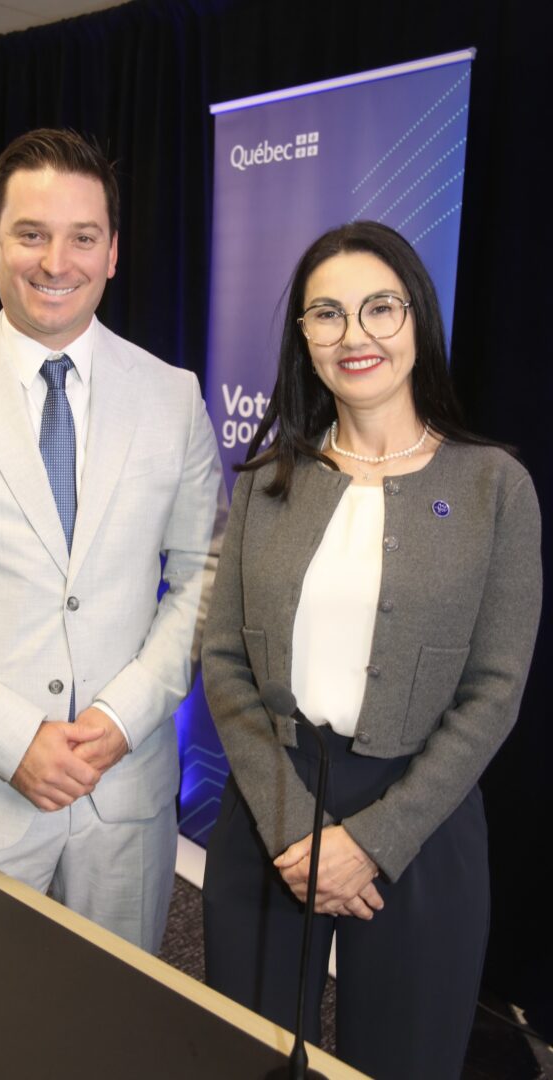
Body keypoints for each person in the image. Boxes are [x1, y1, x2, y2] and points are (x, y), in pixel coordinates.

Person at [0, 128, 224, 954]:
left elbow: (206, 574)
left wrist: (124, 718)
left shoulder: (173, 397)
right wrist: (13, 741)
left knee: (116, 1031)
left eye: (82, 237)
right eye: (31, 234)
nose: (58, 261)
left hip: (123, 793)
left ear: (113, 252)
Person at [201, 221, 541, 1079]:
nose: (356, 336)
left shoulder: (495, 486)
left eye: (379, 308)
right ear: (304, 339)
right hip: (272, 805)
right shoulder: (267, 478)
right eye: (327, 315)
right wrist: (290, 830)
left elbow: (494, 690)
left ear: (417, 319)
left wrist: (375, 841)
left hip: (422, 820)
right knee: (248, 1057)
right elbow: (226, 663)